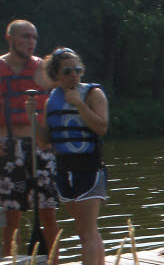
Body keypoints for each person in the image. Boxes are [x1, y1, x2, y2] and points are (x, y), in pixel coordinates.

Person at [38, 47, 108, 264]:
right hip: (64, 170)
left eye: (78, 70)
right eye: (68, 71)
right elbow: (44, 141)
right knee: (85, 230)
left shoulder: (93, 94)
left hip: (89, 168)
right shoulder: (52, 100)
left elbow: (102, 127)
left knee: (87, 232)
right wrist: (33, 118)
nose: (74, 75)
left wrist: (78, 103)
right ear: (56, 75)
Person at [0, 20, 59, 260]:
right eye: (25, 37)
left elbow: (59, 99)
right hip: (7, 146)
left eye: (34, 37)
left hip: (39, 146)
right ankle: (9, 259)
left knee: (47, 213)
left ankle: (54, 260)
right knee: (11, 215)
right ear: (10, 38)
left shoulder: (42, 70)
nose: (31, 42)